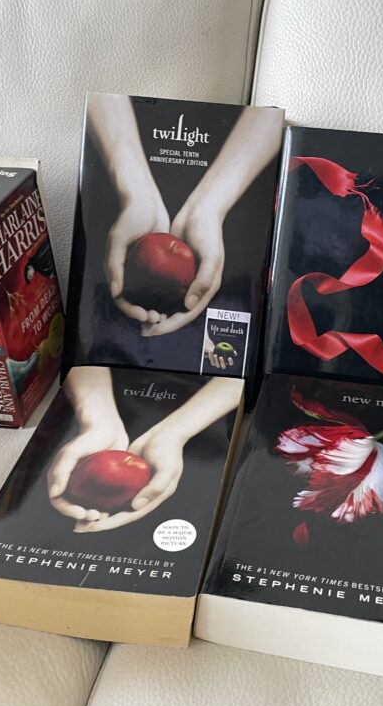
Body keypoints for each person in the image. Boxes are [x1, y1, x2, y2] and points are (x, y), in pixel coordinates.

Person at [86, 93, 281, 336]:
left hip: (241, 207)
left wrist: (210, 206)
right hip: (107, 193)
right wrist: (135, 190)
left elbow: (272, 115)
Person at [46, 365, 240, 532]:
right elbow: (85, 345)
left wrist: (174, 432)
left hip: (208, 427)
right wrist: (96, 418)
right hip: (103, 391)